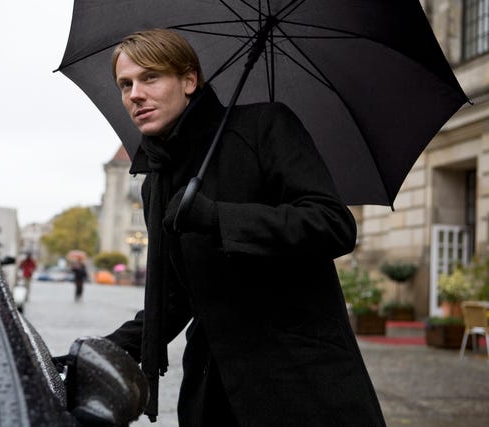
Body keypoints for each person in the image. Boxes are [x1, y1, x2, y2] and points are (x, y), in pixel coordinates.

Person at [103, 29, 386, 426]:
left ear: (189, 80)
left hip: (300, 383)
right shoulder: (157, 182)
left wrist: (218, 218)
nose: (135, 94)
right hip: (213, 394)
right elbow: (174, 299)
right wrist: (109, 349)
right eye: (125, 84)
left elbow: (333, 224)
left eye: (151, 77)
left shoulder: (265, 128)